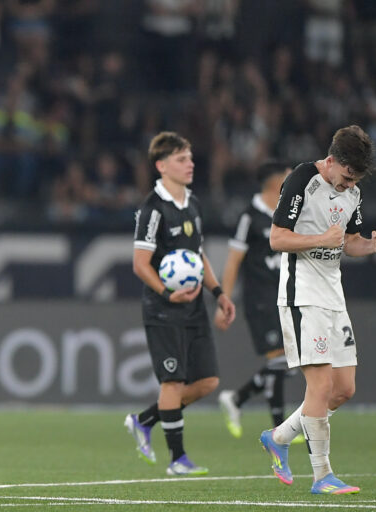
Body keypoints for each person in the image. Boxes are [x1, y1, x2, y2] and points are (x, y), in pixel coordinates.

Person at [259, 125, 376, 495]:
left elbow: (349, 244)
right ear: (331, 161)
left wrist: (370, 245)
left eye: (355, 180)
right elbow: (277, 237)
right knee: (321, 385)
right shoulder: (302, 179)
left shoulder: (353, 193)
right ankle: (322, 476)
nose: (348, 185)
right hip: (302, 293)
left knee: (344, 388)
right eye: (346, 177)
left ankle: (279, 436)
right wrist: (320, 239)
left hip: (334, 295)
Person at [124, 131, 236, 475]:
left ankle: (143, 420)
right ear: (161, 166)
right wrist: (166, 293)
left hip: (193, 306)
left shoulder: (193, 203)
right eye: (181, 159)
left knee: (207, 382)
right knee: (171, 383)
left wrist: (218, 293)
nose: (190, 164)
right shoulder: (152, 209)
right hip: (163, 308)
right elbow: (140, 264)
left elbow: (197, 255)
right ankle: (177, 460)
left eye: (190, 158)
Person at [215, 162, 298, 439]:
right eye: (288, 176)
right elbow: (233, 260)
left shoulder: (290, 214)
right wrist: (223, 299)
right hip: (260, 300)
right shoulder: (250, 217)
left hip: (286, 297)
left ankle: (237, 399)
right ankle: (280, 429)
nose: (292, 180)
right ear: (276, 183)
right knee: (279, 361)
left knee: (287, 364)